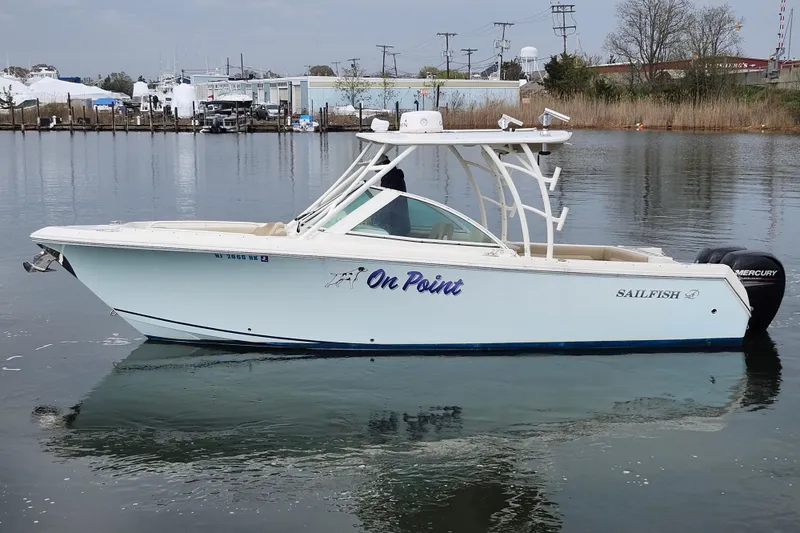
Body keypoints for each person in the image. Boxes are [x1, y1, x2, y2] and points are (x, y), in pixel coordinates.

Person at [374, 154, 411, 236]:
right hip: (400, 223)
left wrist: (373, 218)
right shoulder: (394, 175)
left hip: (395, 226)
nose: (376, 172)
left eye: (377, 169)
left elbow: (386, 202)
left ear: (382, 165)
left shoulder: (390, 178)